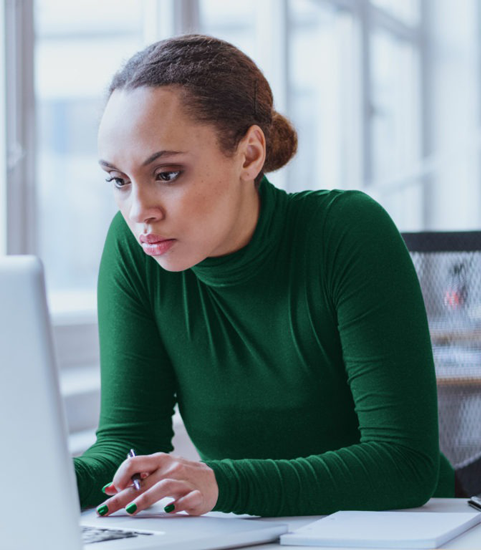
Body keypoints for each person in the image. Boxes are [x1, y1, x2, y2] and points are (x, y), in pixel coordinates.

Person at [73, 33, 455, 518]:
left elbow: (404, 464)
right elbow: (128, 446)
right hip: (255, 530)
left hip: (410, 526)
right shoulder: (136, 250)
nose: (138, 210)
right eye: (118, 181)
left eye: (167, 174)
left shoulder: (346, 232)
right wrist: (35, 476)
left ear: (249, 155)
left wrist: (223, 484)